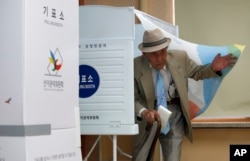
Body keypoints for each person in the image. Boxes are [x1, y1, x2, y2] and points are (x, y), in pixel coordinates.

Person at [132, 28, 237, 161]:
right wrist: (144, 112)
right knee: (141, 157)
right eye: (154, 54)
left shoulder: (180, 58)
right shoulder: (135, 66)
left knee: (173, 158)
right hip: (149, 114)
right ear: (144, 53)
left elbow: (197, 72)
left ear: (167, 47)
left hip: (174, 114)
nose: (160, 58)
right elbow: (132, 98)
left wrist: (212, 68)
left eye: (163, 52)